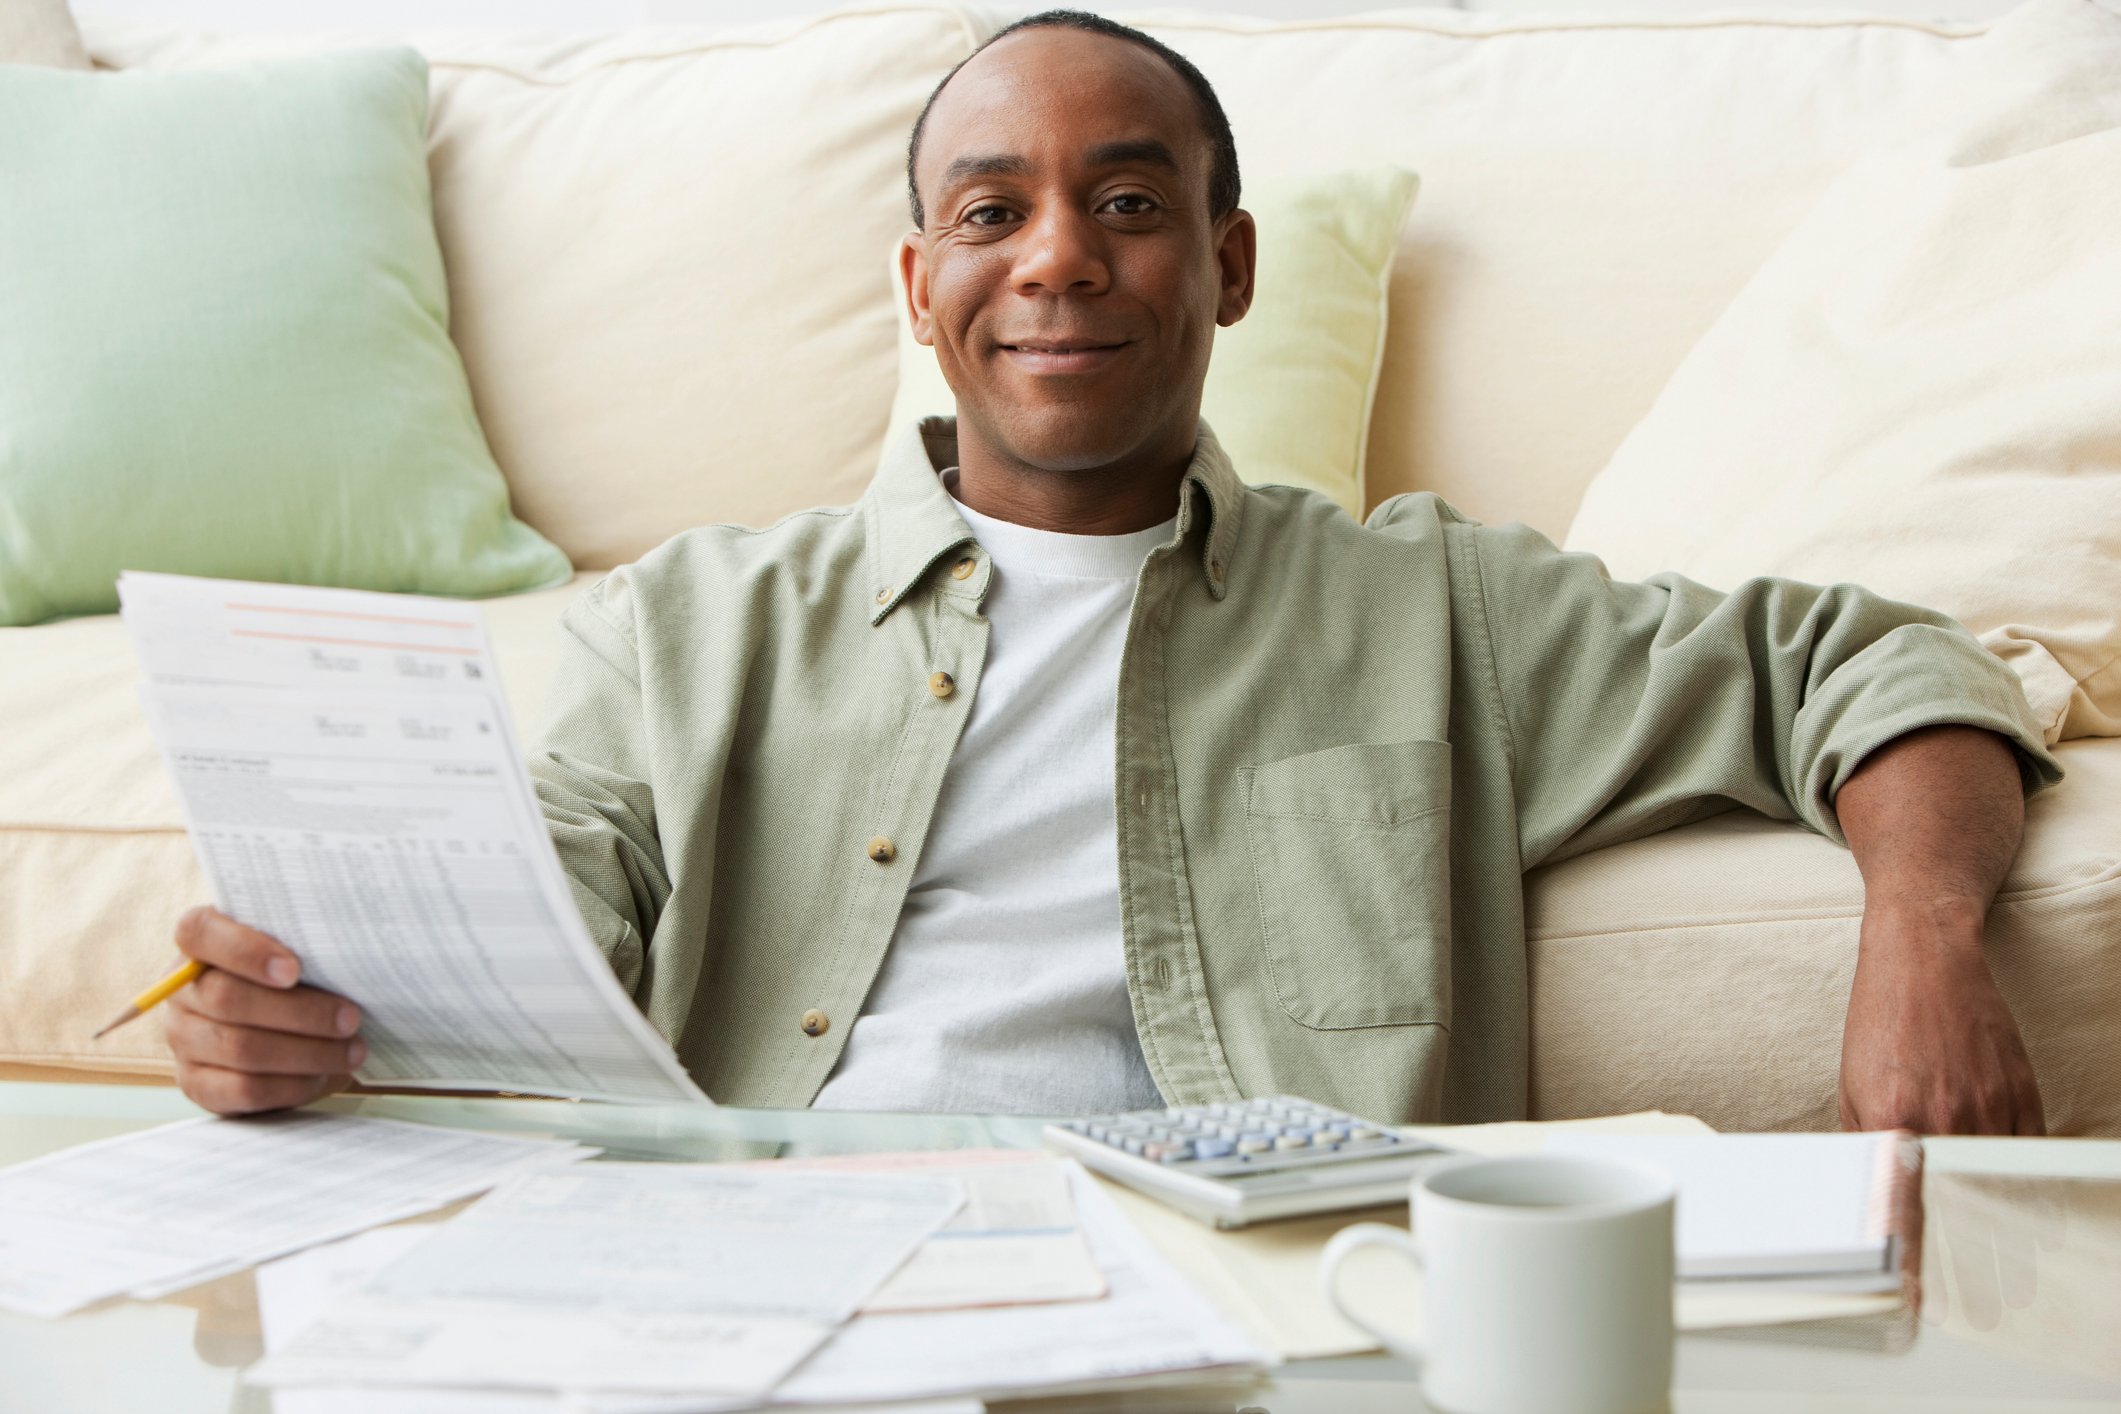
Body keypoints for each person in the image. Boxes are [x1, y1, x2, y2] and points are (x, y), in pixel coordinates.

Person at [161, 10, 2060, 1136]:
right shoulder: (687, 622)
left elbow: (1873, 663)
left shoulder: (1435, 614)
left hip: (1259, 1296)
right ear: (922, 289)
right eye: (990, 213)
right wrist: (294, 1000)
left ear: (1229, 268)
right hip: (792, 1271)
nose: (1057, 258)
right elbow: (541, 895)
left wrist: (1921, 935)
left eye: (1129, 204)